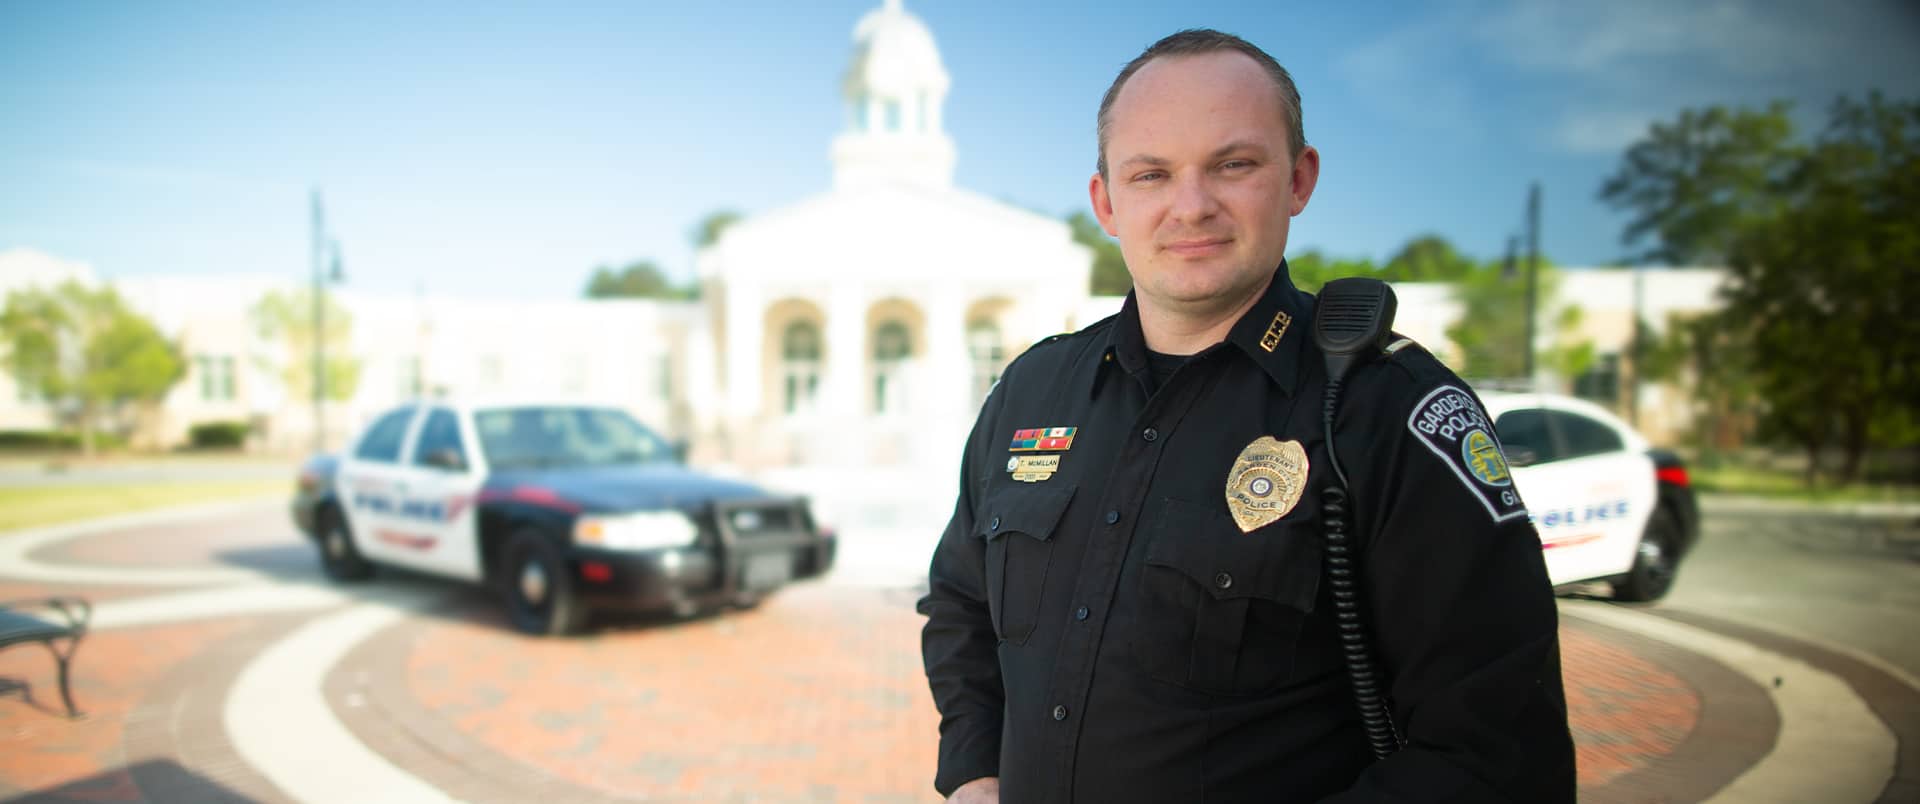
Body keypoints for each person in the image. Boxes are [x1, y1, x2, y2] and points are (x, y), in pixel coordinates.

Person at [917, 29, 1576, 804]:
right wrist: (975, 774)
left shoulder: (1390, 412)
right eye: (1152, 173)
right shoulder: (1033, 390)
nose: (1190, 206)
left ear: (1299, 180)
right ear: (1106, 203)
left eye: (1233, 165)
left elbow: (1491, 755)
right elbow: (960, 602)